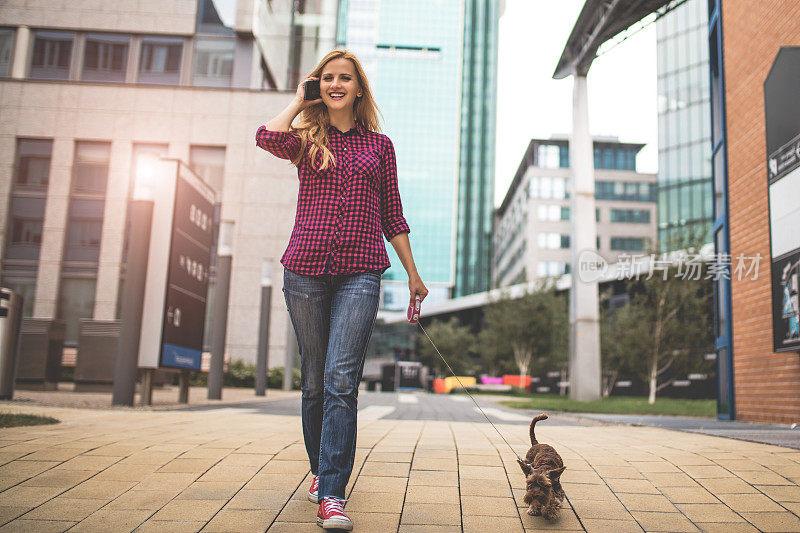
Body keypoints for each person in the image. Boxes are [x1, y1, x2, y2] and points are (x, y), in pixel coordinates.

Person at [255, 49, 428, 531]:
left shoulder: (380, 146)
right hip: (305, 271)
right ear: (319, 85)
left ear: (358, 88)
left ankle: (332, 492)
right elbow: (265, 136)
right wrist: (297, 100)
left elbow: (393, 215)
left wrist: (412, 274)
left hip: (360, 273)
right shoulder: (307, 139)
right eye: (327, 78)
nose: (335, 84)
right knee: (314, 383)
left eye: (344, 78)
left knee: (340, 382)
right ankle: (319, 470)